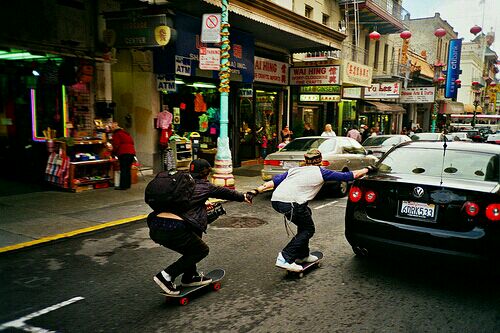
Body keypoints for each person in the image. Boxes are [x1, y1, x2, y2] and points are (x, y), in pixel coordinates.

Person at [249, 149, 372, 272]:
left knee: (305, 218)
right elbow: (350, 176)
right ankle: (285, 257)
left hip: (277, 201)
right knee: (308, 229)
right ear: (320, 161)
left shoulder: (294, 170)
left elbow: (273, 182)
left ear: (306, 161)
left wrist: (255, 191)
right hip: (291, 203)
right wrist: (368, 169)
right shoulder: (322, 172)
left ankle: (303, 255)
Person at [148, 159, 252, 295]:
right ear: (206, 173)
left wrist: (201, 207)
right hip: (174, 228)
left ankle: (190, 277)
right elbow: (225, 192)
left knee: (193, 245)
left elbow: (187, 204)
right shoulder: (204, 185)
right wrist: (243, 196)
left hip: (155, 225)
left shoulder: (179, 185)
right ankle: (166, 276)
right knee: (200, 250)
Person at [111, 122, 136, 190]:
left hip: (124, 153)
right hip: (131, 153)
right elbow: (132, 142)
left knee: (123, 169)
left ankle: (123, 186)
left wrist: (113, 153)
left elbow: (116, 144)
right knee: (128, 169)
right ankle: (127, 185)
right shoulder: (126, 134)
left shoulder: (117, 134)